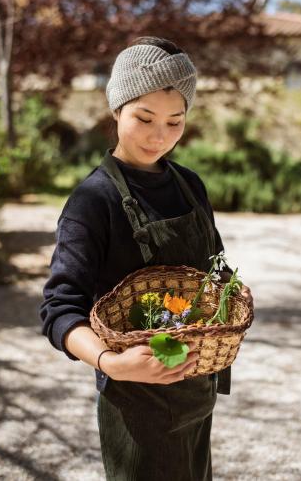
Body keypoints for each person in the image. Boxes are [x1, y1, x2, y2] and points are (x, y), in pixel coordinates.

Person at [39, 36, 253, 481]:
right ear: (117, 109)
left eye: (176, 121)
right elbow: (59, 310)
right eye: (144, 117)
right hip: (136, 402)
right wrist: (112, 363)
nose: (160, 135)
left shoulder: (190, 185)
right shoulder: (92, 201)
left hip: (198, 389)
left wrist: (229, 305)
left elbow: (215, 271)